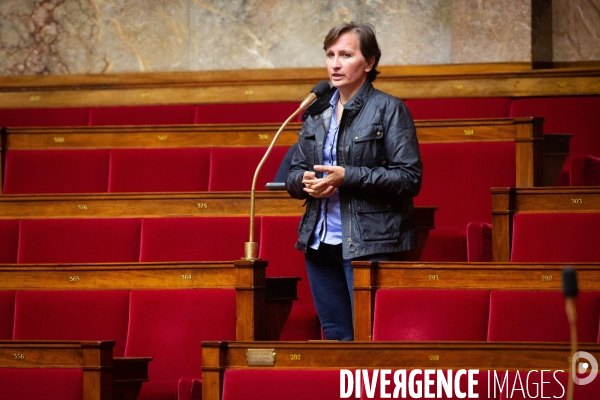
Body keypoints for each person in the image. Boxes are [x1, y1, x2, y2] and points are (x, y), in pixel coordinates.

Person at [285, 22, 422, 340]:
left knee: (369, 336)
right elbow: (293, 175)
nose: (334, 63)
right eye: (330, 54)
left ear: (370, 62)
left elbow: (409, 177)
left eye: (345, 54)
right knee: (335, 337)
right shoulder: (315, 114)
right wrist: (305, 181)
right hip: (318, 241)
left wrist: (349, 176)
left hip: (369, 242)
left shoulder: (389, 110)